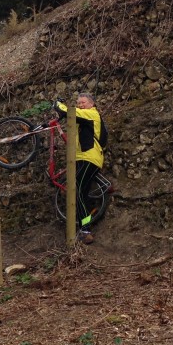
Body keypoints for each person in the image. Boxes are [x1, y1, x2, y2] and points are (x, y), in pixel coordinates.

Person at [56, 94, 107, 244]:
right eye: (78, 103)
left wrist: (58, 104)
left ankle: (85, 229)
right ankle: (85, 227)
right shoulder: (83, 119)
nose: (80, 105)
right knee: (82, 194)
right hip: (83, 158)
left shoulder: (92, 114)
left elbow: (69, 112)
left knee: (76, 188)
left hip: (88, 158)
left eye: (83, 102)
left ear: (92, 104)